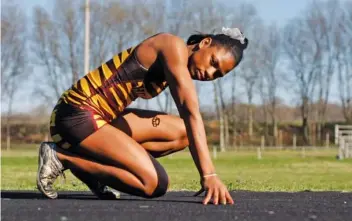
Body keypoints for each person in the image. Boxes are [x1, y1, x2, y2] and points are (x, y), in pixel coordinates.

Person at [36, 27, 248, 205]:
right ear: (205, 43)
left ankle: (92, 169)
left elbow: (189, 123)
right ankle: (62, 157)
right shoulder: (171, 46)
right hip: (76, 114)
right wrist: (209, 175)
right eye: (213, 62)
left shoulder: (177, 66)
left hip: (101, 118)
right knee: (154, 184)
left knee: (183, 132)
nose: (210, 74)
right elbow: (190, 110)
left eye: (218, 75)